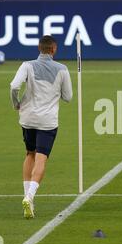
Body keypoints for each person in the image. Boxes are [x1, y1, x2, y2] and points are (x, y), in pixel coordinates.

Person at [10, 35, 72, 219]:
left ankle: (27, 196)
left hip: (28, 118)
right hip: (47, 121)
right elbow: (68, 97)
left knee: (29, 153)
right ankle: (30, 197)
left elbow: (14, 86)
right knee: (41, 158)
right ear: (54, 49)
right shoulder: (62, 69)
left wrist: (16, 103)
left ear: (39, 48)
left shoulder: (27, 65)